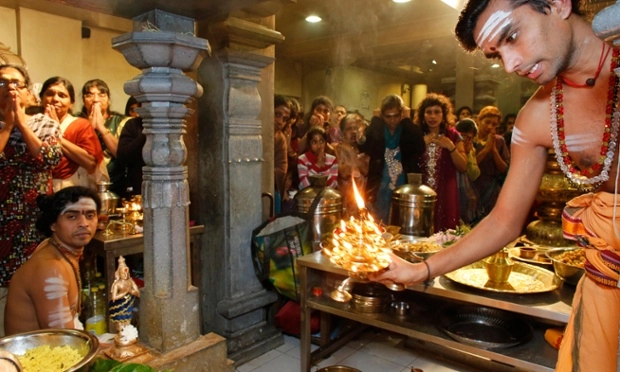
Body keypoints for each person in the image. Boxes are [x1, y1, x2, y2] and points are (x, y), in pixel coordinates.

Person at [370, 1, 619, 371]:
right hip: (605, 294)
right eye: (496, 55)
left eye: (512, 36)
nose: (510, 65)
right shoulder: (536, 118)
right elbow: (503, 220)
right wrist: (421, 270)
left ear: (557, 3)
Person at [0, 64, 63, 337]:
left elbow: (48, 158)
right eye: (3, 83)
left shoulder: (45, 124)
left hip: (32, 223)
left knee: (36, 287)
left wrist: (21, 123)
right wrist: (7, 126)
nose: (10, 89)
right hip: (2, 224)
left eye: (17, 83)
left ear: (28, 92)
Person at [4, 186, 100, 335]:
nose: (84, 223)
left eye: (90, 215)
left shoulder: (56, 248)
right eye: (71, 217)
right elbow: (63, 340)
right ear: (53, 224)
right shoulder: (51, 268)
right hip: (34, 355)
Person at [358, 94, 426, 223]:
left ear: (401, 114)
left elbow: (420, 146)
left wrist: (406, 120)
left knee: (403, 223)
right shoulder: (378, 129)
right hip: (379, 185)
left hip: (404, 183)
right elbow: (366, 147)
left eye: (396, 116)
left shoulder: (406, 129)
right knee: (378, 224)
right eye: (388, 116)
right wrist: (376, 120)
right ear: (382, 116)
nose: (392, 120)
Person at [40, 76, 106, 191]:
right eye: (50, 93)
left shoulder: (81, 125)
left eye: (62, 95)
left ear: (71, 103)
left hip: (73, 188)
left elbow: (90, 163)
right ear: (41, 99)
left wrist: (55, 134)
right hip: (40, 188)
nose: (55, 99)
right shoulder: (32, 125)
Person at [416, 93, 467, 232]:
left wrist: (451, 147)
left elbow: (463, 166)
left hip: (446, 190)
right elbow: (407, 163)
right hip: (420, 191)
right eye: (429, 112)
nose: (432, 117)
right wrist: (420, 145)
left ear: (444, 115)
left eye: (437, 112)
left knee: (446, 232)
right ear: (423, 115)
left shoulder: (453, 135)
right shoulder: (416, 134)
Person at [79, 79, 129, 196]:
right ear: (83, 100)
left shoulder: (122, 121)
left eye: (101, 95)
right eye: (90, 95)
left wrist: (101, 127)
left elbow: (121, 154)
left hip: (116, 183)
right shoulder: (76, 121)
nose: (96, 100)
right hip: (83, 182)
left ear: (108, 100)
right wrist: (89, 128)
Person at [473, 105, 510, 217]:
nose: (490, 127)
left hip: (492, 189)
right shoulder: (470, 139)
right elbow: (467, 166)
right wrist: (485, 150)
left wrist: (494, 151)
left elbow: (505, 169)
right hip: (472, 186)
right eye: (487, 122)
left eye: (494, 124)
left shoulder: (499, 141)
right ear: (479, 120)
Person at [334, 112, 369, 217]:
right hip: (344, 204)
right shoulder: (336, 149)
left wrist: (351, 152)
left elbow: (366, 170)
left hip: (362, 202)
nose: (354, 132)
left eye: (356, 128)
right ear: (342, 132)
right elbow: (343, 173)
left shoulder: (365, 149)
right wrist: (348, 149)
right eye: (349, 129)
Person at [455, 118, 481, 225]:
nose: (465, 140)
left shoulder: (472, 150)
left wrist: (468, 154)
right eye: (462, 136)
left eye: (469, 138)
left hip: (466, 191)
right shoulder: (452, 147)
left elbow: (474, 174)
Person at [109, 256, 140, 333]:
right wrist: (124, 292)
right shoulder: (117, 284)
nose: (125, 275)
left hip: (128, 305)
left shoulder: (130, 281)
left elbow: (138, 293)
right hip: (119, 306)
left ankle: (127, 335)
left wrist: (131, 291)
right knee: (120, 325)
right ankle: (120, 334)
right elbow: (114, 297)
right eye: (123, 274)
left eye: (126, 273)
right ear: (119, 273)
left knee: (127, 323)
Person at [117, 117, 145, 199]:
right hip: (138, 187)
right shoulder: (133, 124)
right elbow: (123, 157)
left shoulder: (174, 123)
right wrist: (146, 132)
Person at [274, 95, 291, 212]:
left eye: (285, 119)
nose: (280, 122)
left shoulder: (280, 138)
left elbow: (282, 169)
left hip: (272, 189)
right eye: (277, 114)